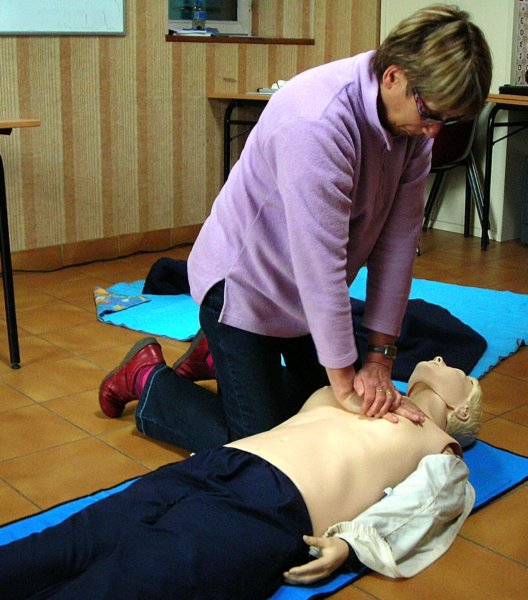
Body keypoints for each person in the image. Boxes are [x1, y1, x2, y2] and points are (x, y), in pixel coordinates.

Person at [101, 4, 492, 450]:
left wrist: (380, 359)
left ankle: (217, 358)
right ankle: (148, 378)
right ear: (393, 77)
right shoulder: (317, 120)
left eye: (448, 120)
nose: (434, 132)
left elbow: (399, 245)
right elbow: (320, 265)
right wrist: (345, 383)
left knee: (319, 419)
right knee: (263, 449)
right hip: (242, 288)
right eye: (431, 114)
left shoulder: (413, 129)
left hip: (302, 298)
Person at [0, 357, 482, 599]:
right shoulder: (359, 392)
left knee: (124, 584)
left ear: (462, 409)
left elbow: (417, 511)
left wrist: (352, 546)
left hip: (270, 509)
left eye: (457, 371)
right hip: (216, 464)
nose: (440, 361)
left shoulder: (443, 450)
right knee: (67, 543)